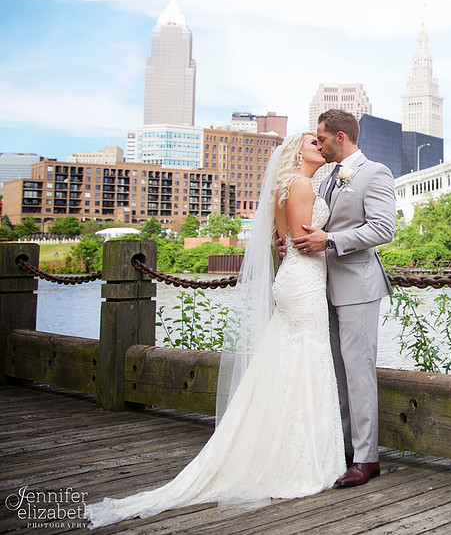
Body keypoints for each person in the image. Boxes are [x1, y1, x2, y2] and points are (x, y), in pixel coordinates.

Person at [84, 133, 344, 528]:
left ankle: (284, 449)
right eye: (313, 142)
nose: (320, 146)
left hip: (292, 279)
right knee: (306, 362)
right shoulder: (302, 183)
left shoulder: (283, 186)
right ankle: (300, 462)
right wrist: (331, 240)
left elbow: (284, 240)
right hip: (304, 280)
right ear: (297, 151)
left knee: (287, 363)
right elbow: (303, 240)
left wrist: (291, 243)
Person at [291, 109, 396, 487]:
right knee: (336, 371)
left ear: (340, 137)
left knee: (359, 371)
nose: (317, 145)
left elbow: (384, 228)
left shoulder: (375, 172)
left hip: (358, 288)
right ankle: (347, 450)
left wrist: (330, 241)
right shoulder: (326, 177)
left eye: (321, 139)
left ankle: (367, 459)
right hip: (322, 287)